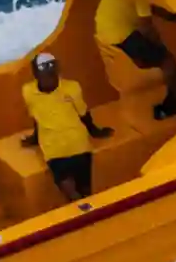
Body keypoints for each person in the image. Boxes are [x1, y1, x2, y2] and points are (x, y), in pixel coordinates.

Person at [20, 52, 111, 203]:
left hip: (78, 144)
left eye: (52, 70)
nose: (50, 75)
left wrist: (95, 131)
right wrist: (35, 138)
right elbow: (36, 117)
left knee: (86, 190)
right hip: (54, 149)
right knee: (71, 193)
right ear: (36, 74)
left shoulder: (72, 87)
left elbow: (83, 114)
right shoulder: (28, 92)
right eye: (45, 72)